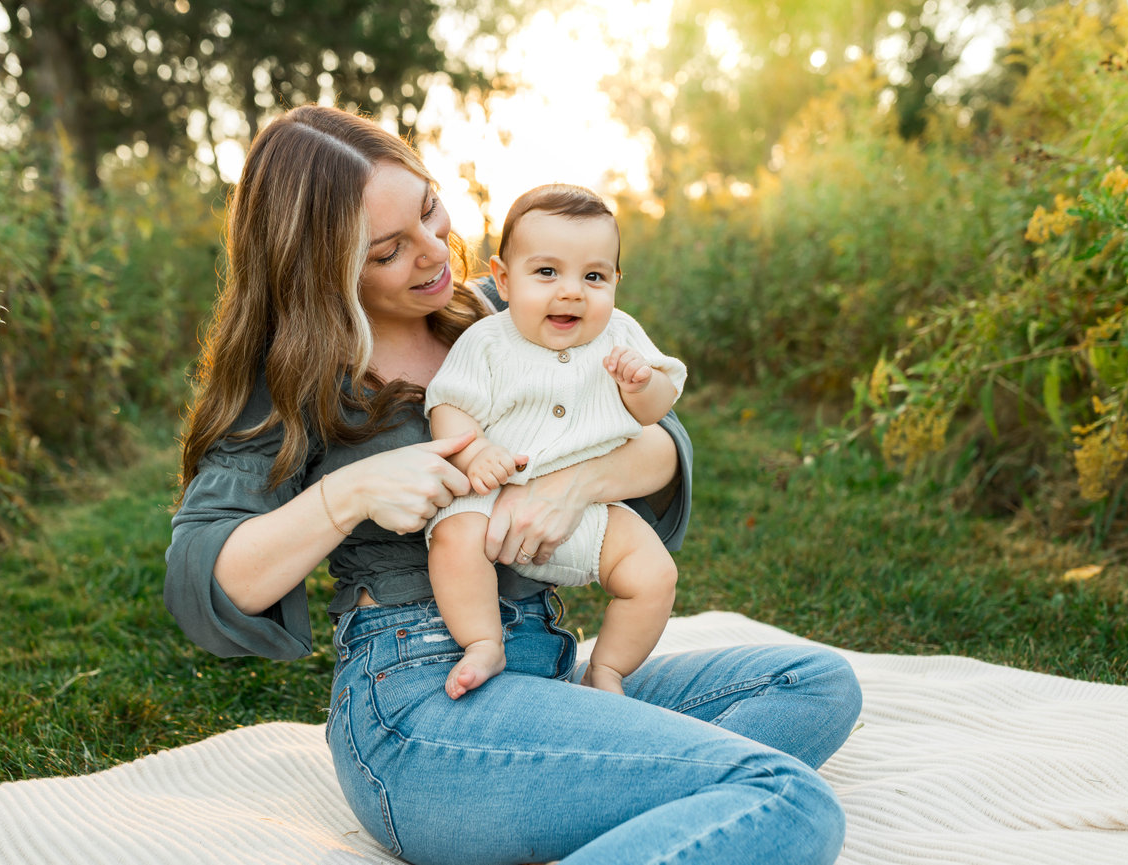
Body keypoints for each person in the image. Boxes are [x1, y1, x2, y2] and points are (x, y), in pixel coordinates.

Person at [165, 104, 862, 865]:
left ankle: (605, 806)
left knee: (814, 683)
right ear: (319, 270)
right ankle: (643, 799)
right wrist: (348, 495)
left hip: (551, 674)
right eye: (390, 251)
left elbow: (662, 446)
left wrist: (572, 484)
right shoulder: (290, 380)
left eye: (432, 209)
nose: (435, 252)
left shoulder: (499, 315)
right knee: (785, 799)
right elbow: (206, 577)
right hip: (422, 708)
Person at [424, 183, 686, 700]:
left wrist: (641, 385)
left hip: (587, 508)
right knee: (453, 538)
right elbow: (448, 404)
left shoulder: (621, 335)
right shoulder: (488, 341)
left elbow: (658, 414)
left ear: (615, 282)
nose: (571, 291)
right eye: (547, 272)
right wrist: (474, 452)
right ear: (503, 277)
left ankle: (607, 670)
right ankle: (482, 641)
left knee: (655, 575)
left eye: (593, 276)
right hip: (492, 496)